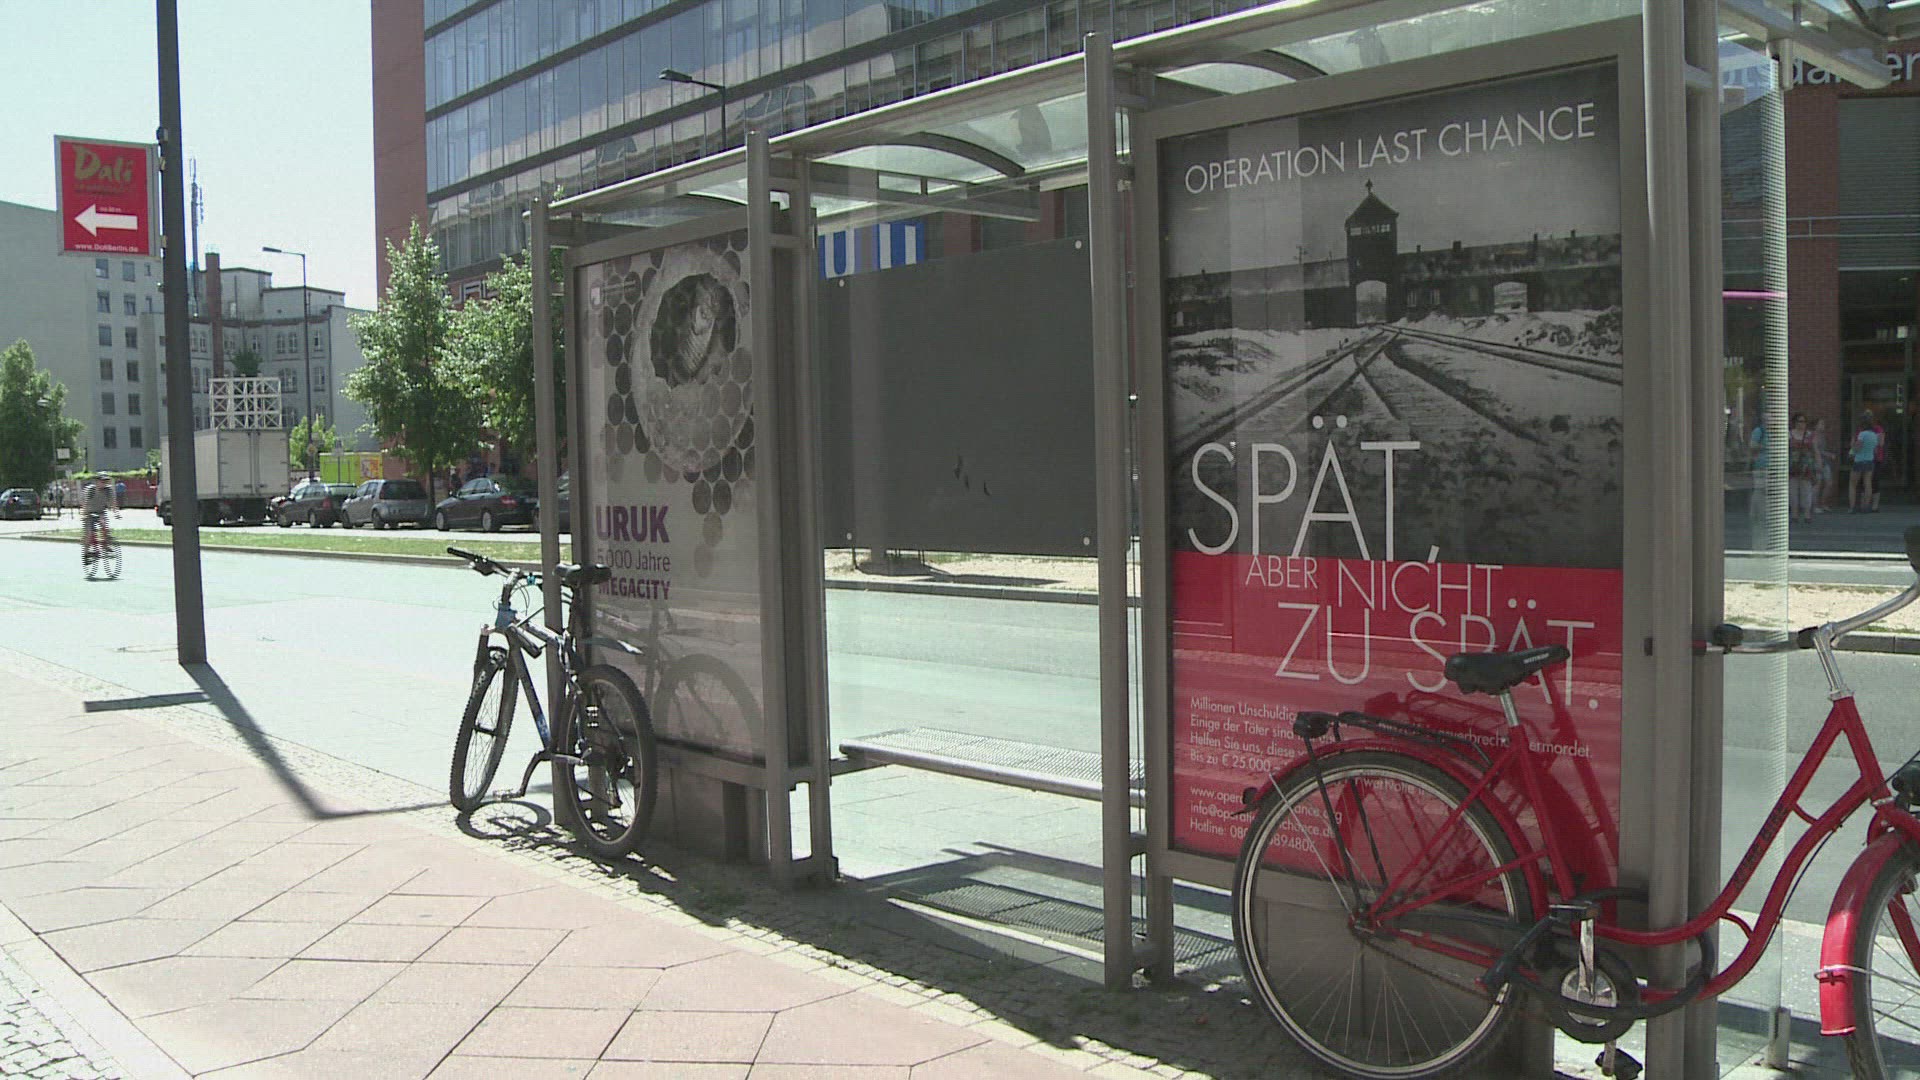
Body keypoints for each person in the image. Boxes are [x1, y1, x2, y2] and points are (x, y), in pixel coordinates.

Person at [81, 472, 117, 563]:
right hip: (89, 513)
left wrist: (115, 512)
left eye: (106, 481)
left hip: (101, 512)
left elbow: (112, 502)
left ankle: (106, 544)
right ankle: (86, 553)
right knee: (89, 533)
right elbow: (85, 503)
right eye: (102, 481)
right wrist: (84, 513)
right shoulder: (90, 490)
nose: (104, 483)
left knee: (105, 526)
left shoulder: (108, 490)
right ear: (96, 481)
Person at [1788, 413, 1818, 523]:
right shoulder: (1789, 434)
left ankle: (1807, 514)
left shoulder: (1810, 435)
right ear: (1795, 422)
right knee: (1793, 490)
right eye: (1800, 421)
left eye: (1804, 421)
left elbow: (1815, 450)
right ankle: (1794, 514)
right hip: (1792, 465)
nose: (1802, 424)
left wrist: (1818, 463)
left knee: (1807, 490)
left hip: (1806, 466)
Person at [1851, 411, 1881, 513]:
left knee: (1853, 484)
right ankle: (1866, 506)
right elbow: (1875, 450)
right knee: (1868, 483)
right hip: (1870, 460)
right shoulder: (1874, 435)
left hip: (1859, 461)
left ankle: (1852, 507)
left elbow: (1857, 448)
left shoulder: (1862, 434)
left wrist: (1853, 445)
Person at [1813, 417, 1835, 514]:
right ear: (1816, 425)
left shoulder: (1823, 436)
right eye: (1821, 424)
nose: (1823, 425)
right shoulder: (1814, 436)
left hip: (1825, 462)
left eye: (1823, 424)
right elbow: (1816, 450)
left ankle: (1823, 503)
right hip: (1817, 462)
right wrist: (1828, 454)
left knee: (1829, 483)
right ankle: (1815, 506)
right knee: (1817, 484)